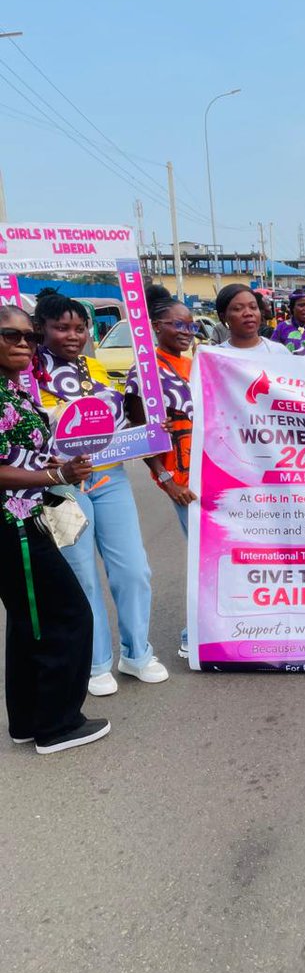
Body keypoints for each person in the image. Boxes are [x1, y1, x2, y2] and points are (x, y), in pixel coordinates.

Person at [33, 291, 169, 695]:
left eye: (80, 328)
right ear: (41, 328)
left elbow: (118, 417)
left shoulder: (92, 366)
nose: (73, 335)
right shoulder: (27, 372)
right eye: (62, 327)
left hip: (108, 474)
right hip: (59, 481)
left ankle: (137, 652)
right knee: (82, 575)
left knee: (133, 568)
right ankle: (94, 662)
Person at [0, 306, 110, 753]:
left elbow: (20, 453)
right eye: (11, 336)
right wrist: (55, 477)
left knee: (31, 623)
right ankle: (58, 726)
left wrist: (56, 465)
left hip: (28, 519)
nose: (24, 344)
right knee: (67, 616)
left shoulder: (14, 390)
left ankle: (28, 721)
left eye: (29, 337)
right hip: (12, 526)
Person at [123, 288, 196, 660]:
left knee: (218, 551)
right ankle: (193, 632)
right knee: (202, 553)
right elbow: (139, 433)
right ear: (156, 326)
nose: (186, 330)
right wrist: (168, 482)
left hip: (211, 472)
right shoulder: (147, 371)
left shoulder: (197, 363)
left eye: (190, 324)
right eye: (177, 324)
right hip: (181, 478)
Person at [215, 284, 284, 356]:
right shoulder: (214, 357)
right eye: (238, 308)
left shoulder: (279, 352)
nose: (248, 313)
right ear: (223, 317)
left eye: (253, 307)